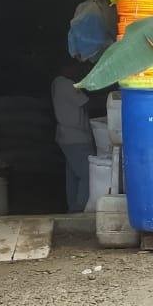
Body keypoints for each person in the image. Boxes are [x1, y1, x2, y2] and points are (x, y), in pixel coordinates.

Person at [51, 60, 95, 213]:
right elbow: (87, 103)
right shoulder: (66, 84)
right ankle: (80, 209)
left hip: (67, 137)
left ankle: (73, 208)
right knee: (87, 173)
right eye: (75, 67)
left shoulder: (57, 83)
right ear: (66, 67)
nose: (77, 71)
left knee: (73, 175)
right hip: (76, 137)